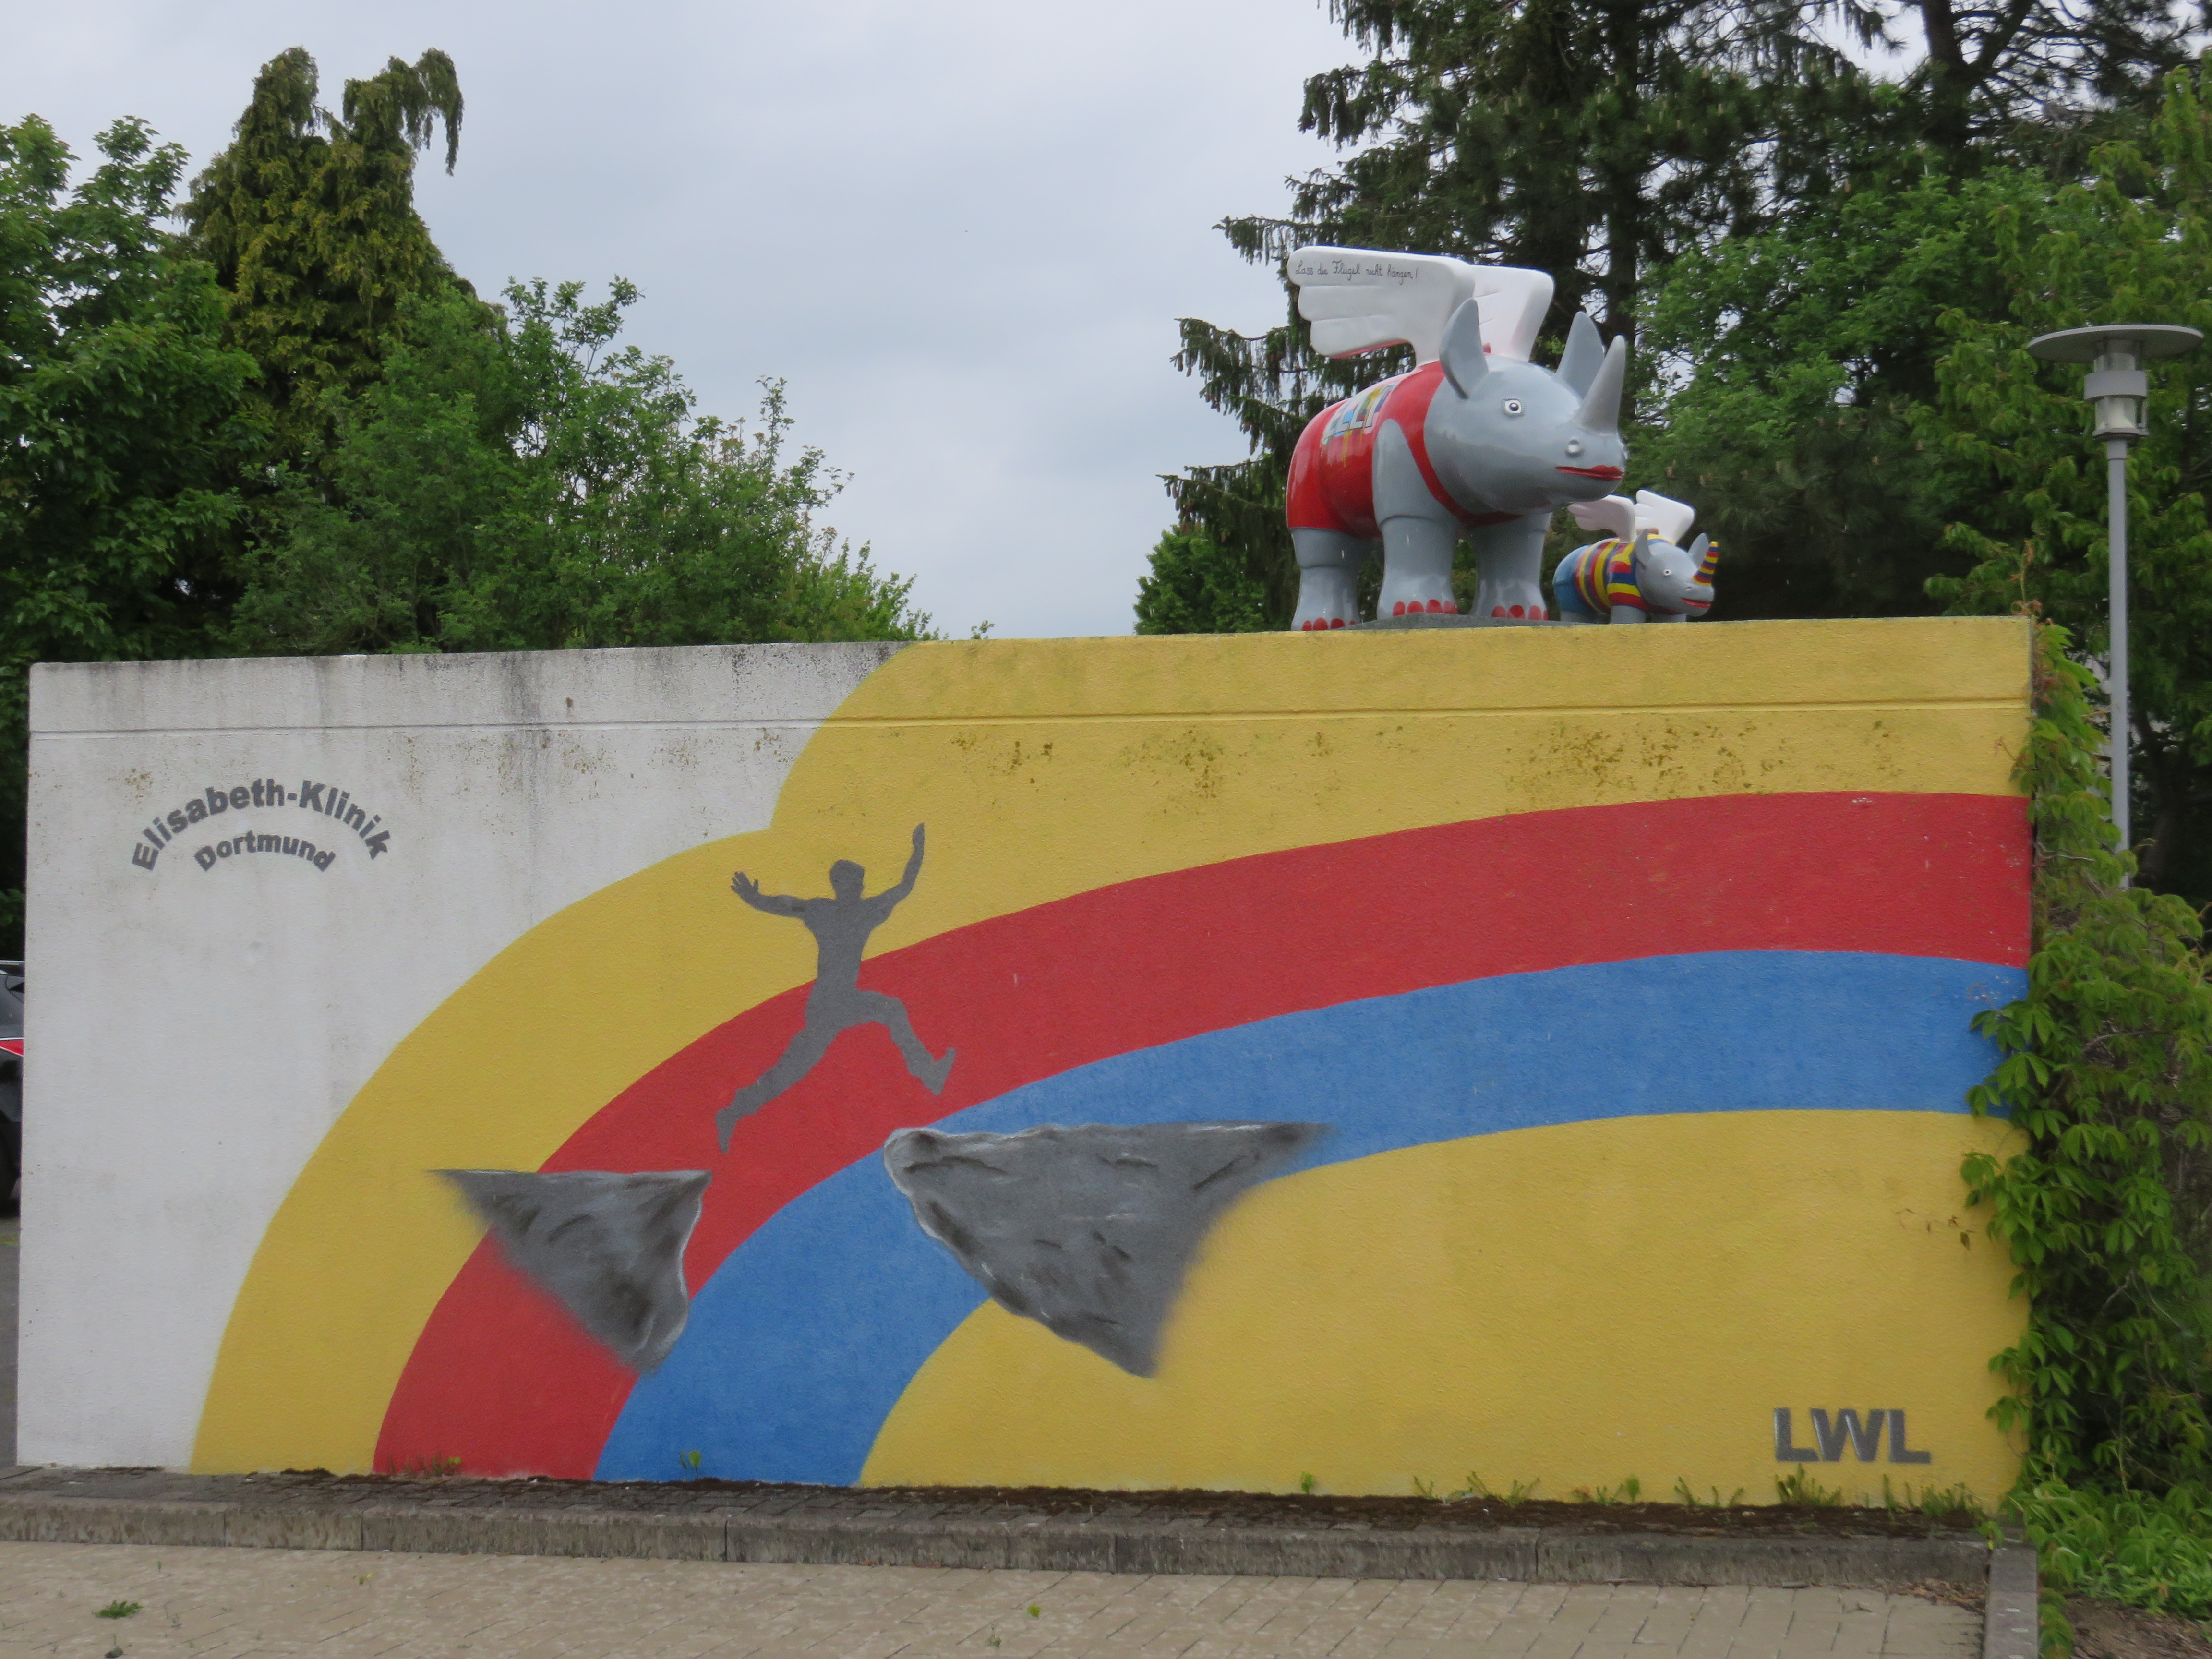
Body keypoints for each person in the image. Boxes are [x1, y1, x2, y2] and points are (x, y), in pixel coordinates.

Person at [717, 824, 955, 1150]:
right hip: (828, 1004)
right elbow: (783, 904)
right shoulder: (825, 911)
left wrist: (918, 851)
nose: (854, 888)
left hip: (842, 1000)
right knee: (793, 1069)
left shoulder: (860, 911)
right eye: (849, 883)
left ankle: (928, 1073)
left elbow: (903, 888)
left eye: (857, 883)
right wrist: (753, 897)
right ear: (840, 885)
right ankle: (735, 1111)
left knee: (889, 1010)